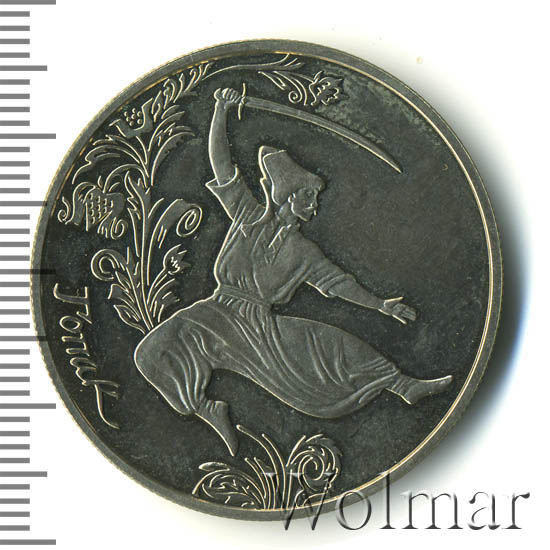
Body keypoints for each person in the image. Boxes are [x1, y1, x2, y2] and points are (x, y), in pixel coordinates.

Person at [134, 88, 452, 456]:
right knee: (150, 353)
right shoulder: (247, 217)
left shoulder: (302, 251)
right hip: (214, 312)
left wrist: (380, 305)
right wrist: (220, 110)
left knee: (328, 345)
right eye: (308, 196)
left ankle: (402, 385)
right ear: (288, 194)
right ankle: (205, 409)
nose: (314, 206)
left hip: (258, 328)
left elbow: (338, 284)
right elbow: (221, 164)